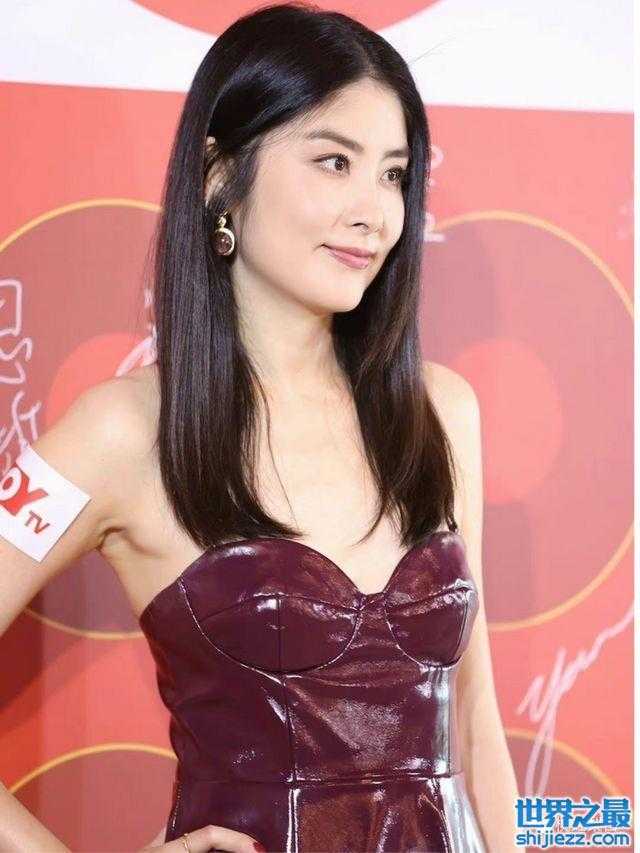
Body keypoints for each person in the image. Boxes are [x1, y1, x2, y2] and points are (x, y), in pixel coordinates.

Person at [0, 3, 520, 851]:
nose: (375, 211)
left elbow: (475, 722)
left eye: (393, 174)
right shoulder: (122, 431)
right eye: (334, 161)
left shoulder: (441, 411)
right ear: (219, 176)